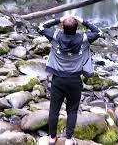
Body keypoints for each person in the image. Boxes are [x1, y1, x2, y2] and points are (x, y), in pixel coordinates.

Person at [38, 15, 102, 145]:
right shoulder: (84, 39)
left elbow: (41, 27)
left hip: (58, 80)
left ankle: (52, 138)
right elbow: (98, 32)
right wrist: (83, 20)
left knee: (54, 110)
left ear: (62, 27)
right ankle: (68, 139)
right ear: (77, 27)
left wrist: (59, 19)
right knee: (72, 110)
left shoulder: (55, 36)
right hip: (74, 81)